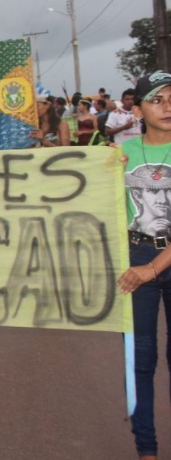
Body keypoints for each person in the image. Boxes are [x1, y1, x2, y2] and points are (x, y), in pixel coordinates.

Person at [116, 71, 171, 460]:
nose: (167, 106)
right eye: (157, 99)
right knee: (140, 362)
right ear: (137, 109)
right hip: (135, 258)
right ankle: (147, 451)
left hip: (154, 264)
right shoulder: (120, 155)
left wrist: (153, 268)